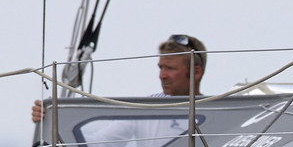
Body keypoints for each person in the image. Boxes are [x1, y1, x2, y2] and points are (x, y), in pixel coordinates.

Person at [31, 34, 207, 123]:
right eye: (161, 67)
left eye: (170, 68)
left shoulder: (219, 112)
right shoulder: (146, 110)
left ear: (196, 72)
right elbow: (96, 144)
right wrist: (50, 119)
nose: (162, 75)